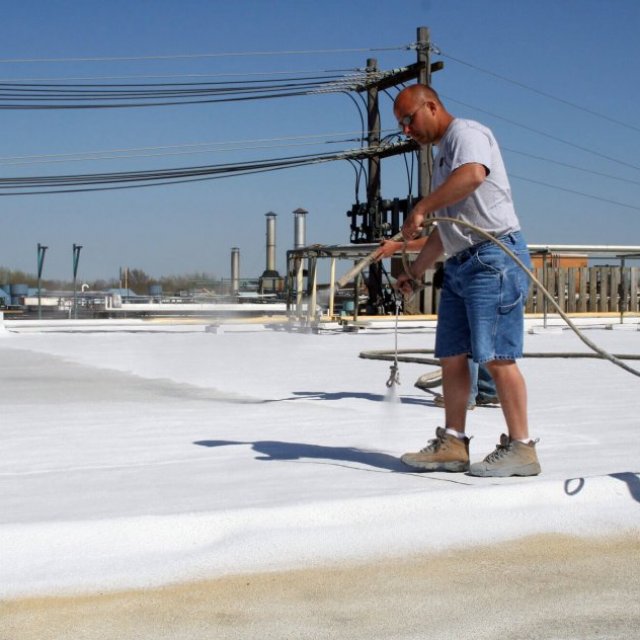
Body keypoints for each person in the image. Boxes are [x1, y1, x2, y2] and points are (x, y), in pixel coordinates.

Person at [390, 84, 540, 477]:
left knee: (496, 355)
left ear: (432, 106)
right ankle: (453, 443)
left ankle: (522, 448)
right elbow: (445, 230)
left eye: (409, 119)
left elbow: (474, 175)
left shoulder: (467, 135)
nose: (407, 130)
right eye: (402, 125)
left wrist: (422, 205)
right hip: (461, 263)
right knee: (453, 354)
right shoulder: (443, 161)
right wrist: (415, 271)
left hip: (493, 258)